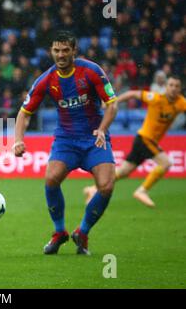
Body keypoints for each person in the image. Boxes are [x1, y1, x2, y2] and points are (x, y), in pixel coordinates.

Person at [13, 31, 118, 255]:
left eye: (65, 50)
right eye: (56, 50)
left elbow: (112, 104)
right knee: (51, 179)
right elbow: (24, 113)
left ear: (74, 51)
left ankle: (83, 232)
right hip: (66, 140)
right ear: (51, 51)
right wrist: (18, 141)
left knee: (107, 186)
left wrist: (102, 129)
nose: (60, 55)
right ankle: (59, 232)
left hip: (94, 138)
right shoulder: (46, 79)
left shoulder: (91, 71)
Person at [84, 75, 186, 208]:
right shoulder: (155, 98)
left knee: (123, 172)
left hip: (146, 141)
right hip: (144, 139)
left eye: (176, 86)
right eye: (171, 85)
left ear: (180, 89)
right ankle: (142, 191)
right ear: (166, 87)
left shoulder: (181, 102)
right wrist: (113, 102)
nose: (173, 89)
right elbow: (132, 93)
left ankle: (93, 189)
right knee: (165, 163)